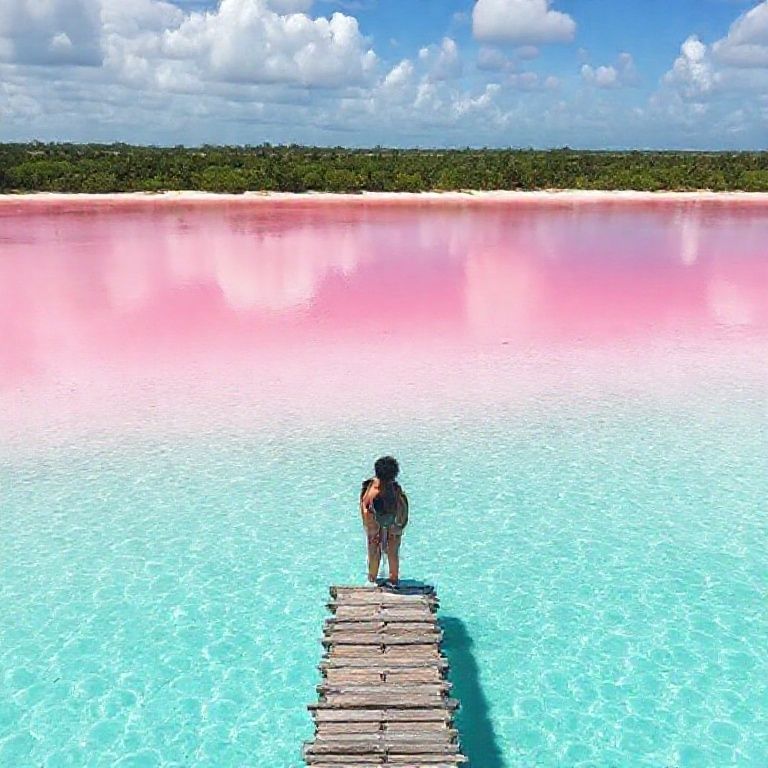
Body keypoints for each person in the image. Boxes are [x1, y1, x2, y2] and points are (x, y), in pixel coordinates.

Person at [360, 456, 409, 588]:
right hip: (378, 519)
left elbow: (402, 508)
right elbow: (365, 509)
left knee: (382, 550)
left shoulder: (391, 490)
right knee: (381, 549)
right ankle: (384, 580)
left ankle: (379, 580)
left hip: (386, 520)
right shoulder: (384, 491)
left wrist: (397, 526)